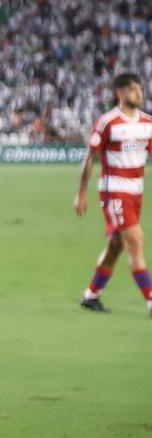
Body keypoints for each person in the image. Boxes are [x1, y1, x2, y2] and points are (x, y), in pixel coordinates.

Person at [75, 72, 152, 317]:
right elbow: (89, 158)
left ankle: (91, 294)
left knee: (117, 245)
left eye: (139, 89)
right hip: (115, 192)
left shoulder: (147, 123)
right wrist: (81, 194)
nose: (138, 93)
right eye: (132, 89)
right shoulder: (108, 122)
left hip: (136, 192)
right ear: (119, 93)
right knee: (136, 241)